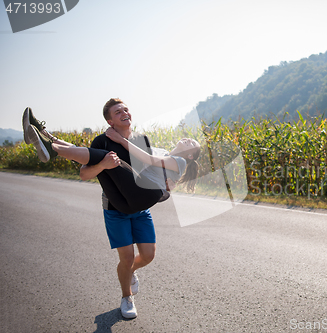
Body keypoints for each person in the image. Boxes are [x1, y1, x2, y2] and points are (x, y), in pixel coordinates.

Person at [22, 100, 200, 319]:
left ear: (190, 155)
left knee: (148, 256)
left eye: (192, 144)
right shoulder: (148, 147)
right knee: (106, 160)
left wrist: (119, 142)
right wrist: (100, 162)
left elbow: (148, 160)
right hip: (119, 203)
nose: (124, 113)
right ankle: (47, 140)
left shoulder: (172, 158)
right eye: (118, 111)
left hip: (142, 200)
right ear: (110, 121)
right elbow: (85, 161)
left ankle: (51, 147)